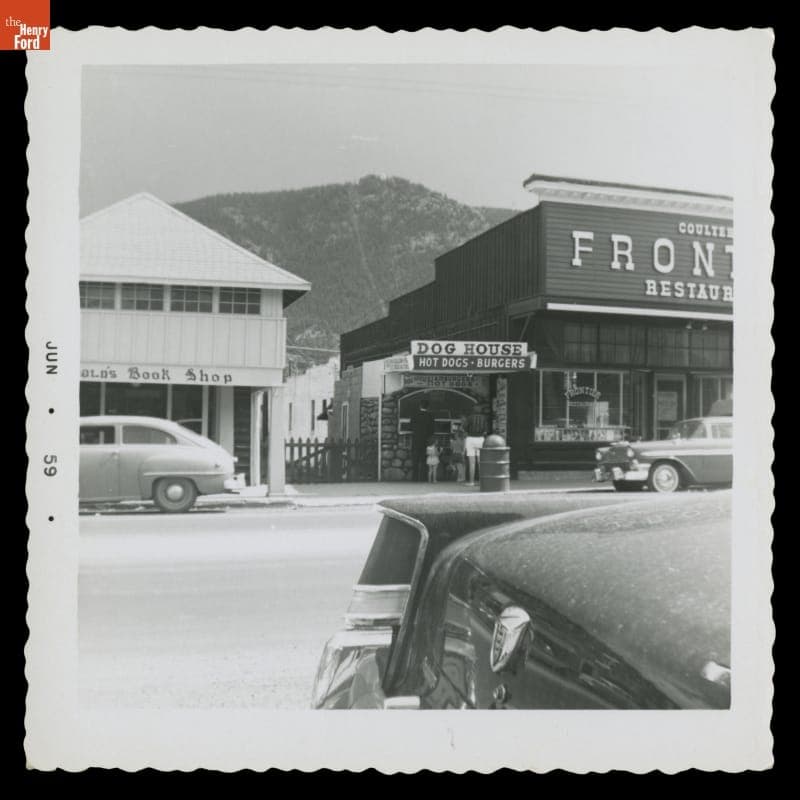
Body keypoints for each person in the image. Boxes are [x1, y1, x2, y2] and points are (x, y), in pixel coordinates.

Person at [410, 397, 435, 481]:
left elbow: (410, 427)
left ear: (420, 406)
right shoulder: (430, 416)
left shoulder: (414, 415)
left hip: (416, 439)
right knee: (424, 460)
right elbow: (432, 429)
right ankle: (423, 478)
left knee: (415, 460)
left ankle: (415, 478)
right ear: (427, 407)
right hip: (426, 440)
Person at [463, 405, 488, 486]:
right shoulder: (484, 418)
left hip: (470, 439)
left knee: (472, 463)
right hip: (480, 439)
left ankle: (471, 482)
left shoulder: (470, 417)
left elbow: (464, 428)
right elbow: (485, 431)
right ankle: (481, 482)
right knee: (480, 462)